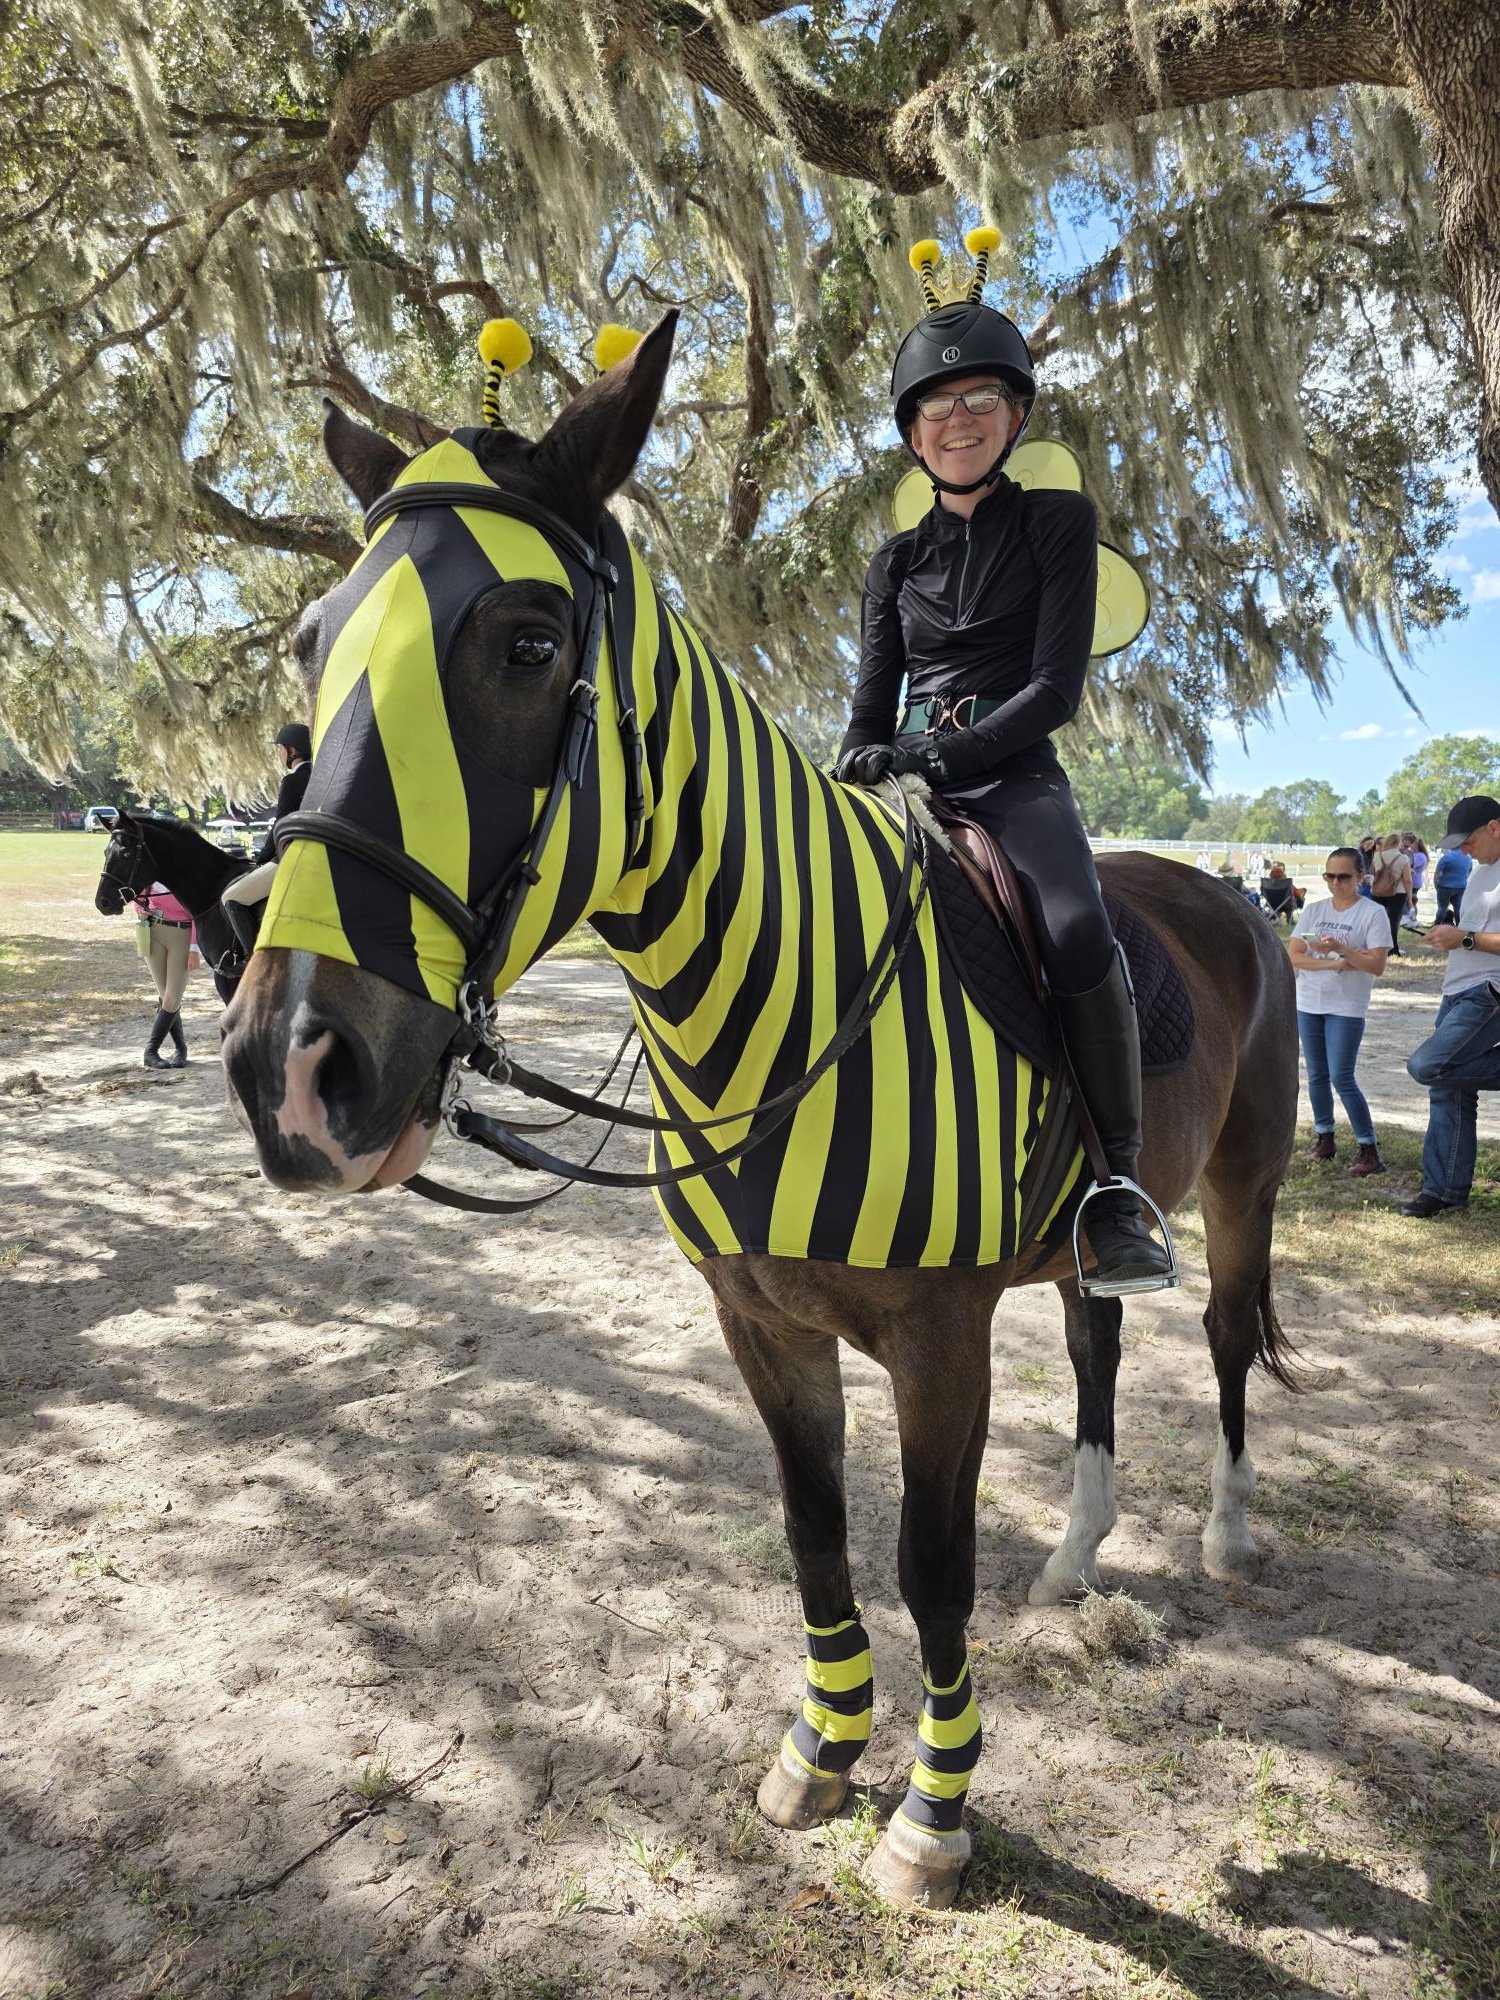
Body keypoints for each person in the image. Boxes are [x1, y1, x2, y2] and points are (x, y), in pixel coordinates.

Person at [833, 256, 1172, 1290]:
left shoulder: (1058, 525)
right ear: (912, 432)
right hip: (905, 781)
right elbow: (871, 694)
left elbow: (1054, 690)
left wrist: (943, 751)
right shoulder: (892, 562)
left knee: (1075, 924)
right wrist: (856, 757)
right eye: (936, 405)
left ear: (1014, 414)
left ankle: (1115, 1187)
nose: (957, 417)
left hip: (1014, 776)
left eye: (979, 396)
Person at [1398, 795, 1500, 1218]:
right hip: (1458, 989)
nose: (1463, 850)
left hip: (1489, 992)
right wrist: (1452, 935)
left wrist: (1465, 939)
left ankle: (1443, 1188)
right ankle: (1443, 1191)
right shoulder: (1481, 871)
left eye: (1468, 840)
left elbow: (1477, 938)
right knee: (1449, 1090)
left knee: (1428, 1066)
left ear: (1495, 826)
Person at [1288, 847, 1391, 1173]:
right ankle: (1324, 1138)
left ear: (1361, 877)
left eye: (1344, 876)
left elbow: (1375, 965)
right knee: (1316, 1075)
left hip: (1346, 1006)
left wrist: (1341, 949)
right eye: (1329, 876)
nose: (1336, 883)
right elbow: (1293, 955)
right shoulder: (1315, 910)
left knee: (1341, 1076)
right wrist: (1338, 964)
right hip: (1308, 1002)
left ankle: (1368, 1149)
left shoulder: (1372, 914)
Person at [220, 721, 313, 954]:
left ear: (292, 751)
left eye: (280, 749)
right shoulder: (325, 775)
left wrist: (262, 857)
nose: (279, 754)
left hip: (292, 859)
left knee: (232, 898)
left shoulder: (293, 780)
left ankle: (252, 960)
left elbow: (281, 823)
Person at [132, 880, 197, 1068]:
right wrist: (139, 908)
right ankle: (180, 1049)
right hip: (152, 931)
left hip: (182, 934)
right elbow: (136, 892)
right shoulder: (155, 869)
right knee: (165, 996)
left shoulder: (190, 873)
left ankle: (151, 1051)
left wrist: (194, 949)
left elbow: (199, 914)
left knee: (172, 997)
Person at [1368, 833, 1411, 954]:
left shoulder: (1377, 855)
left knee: (1376, 920)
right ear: (1398, 843)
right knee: (1393, 921)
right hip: (1398, 893)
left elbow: (1372, 871)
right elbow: (1408, 880)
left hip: (1377, 891)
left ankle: (1375, 946)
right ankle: (1392, 948)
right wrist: (1410, 899)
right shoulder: (1403, 858)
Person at [1432, 841, 1473, 927]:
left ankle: (1437, 925)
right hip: (1461, 886)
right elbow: (1469, 871)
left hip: (1445, 886)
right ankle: (1460, 926)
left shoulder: (1446, 857)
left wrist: (1436, 883)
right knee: (1458, 908)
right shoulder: (1468, 858)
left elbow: (1438, 872)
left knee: (1442, 907)